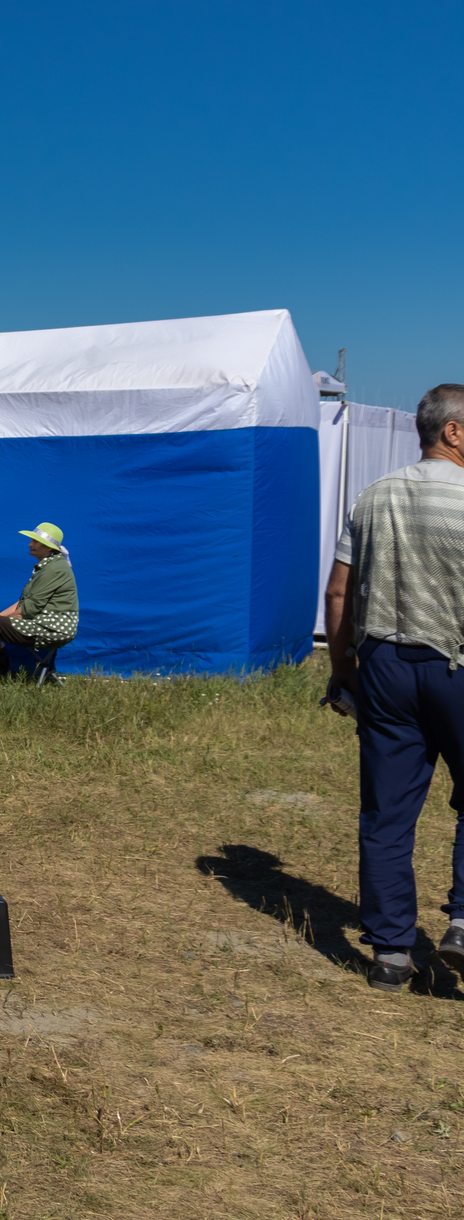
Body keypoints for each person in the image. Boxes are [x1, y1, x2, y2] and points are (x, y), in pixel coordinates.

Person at [323, 382, 464, 991]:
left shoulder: (373, 497)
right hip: (456, 664)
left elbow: (338, 592)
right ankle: (462, 922)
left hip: (384, 664)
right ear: (453, 431)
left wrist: (343, 670)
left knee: (386, 811)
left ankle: (390, 954)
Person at [0, 522, 77, 691]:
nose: (29, 544)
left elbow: (30, 607)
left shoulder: (54, 568)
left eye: (35, 541)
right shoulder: (49, 566)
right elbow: (24, 602)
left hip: (52, 627)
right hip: (44, 622)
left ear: (48, 548)